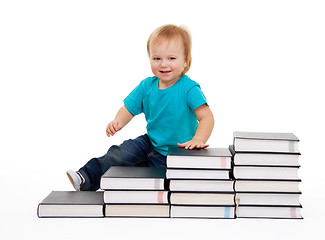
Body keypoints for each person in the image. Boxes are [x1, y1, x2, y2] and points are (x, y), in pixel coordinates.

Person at [66, 24, 214, 191]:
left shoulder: (189, 89)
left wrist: (199, 139)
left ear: (185, 60)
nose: (163, 64)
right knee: (121, 153)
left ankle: (135, 177)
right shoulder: (146, 86)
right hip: (150, 143)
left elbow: (206, 117)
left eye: (171, 58)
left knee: (160, 182)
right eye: (156, 58)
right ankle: (86, 177)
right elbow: (128, 109)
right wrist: (118, 121)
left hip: (178, 153)